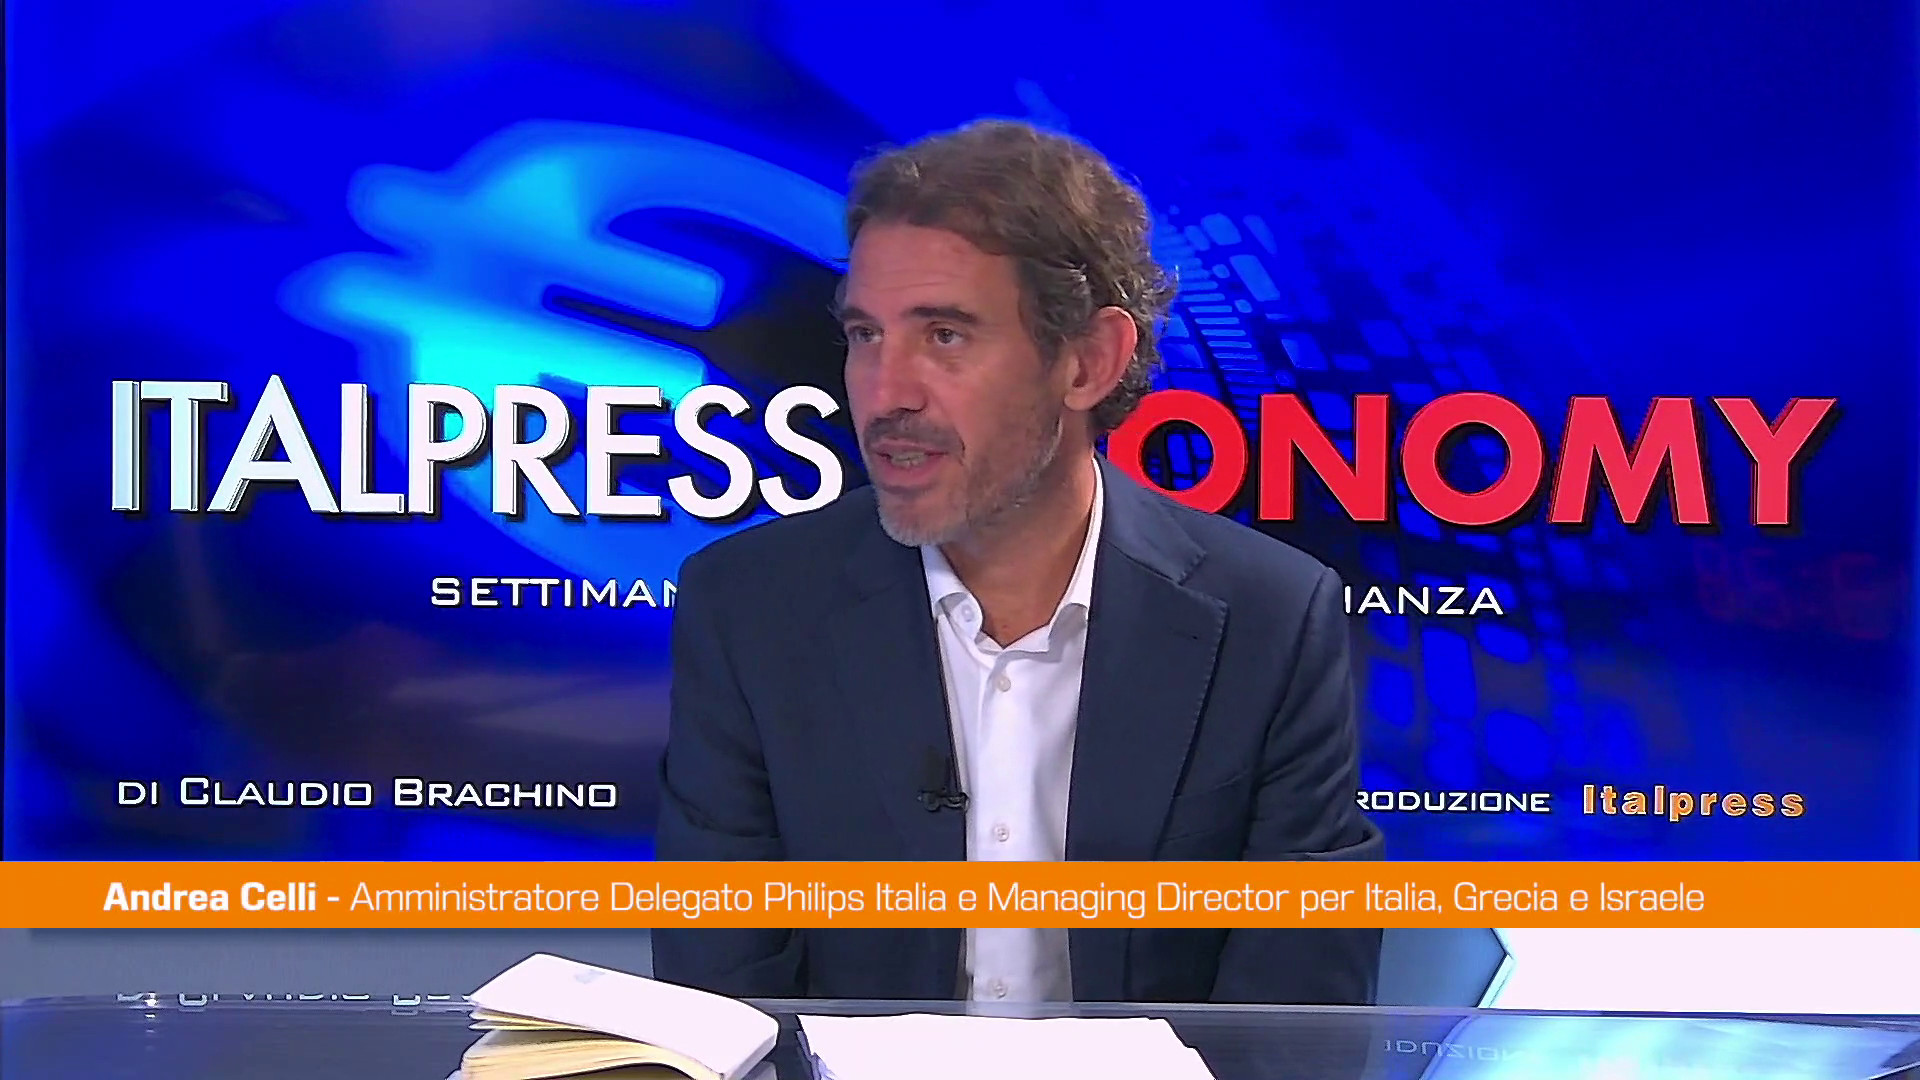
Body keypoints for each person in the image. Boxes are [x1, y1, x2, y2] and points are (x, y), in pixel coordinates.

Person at [653, 118, 1382, 1005]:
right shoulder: (750, 609)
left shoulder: (1270, 619)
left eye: (945, 336)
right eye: (867, 335)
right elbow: (722, 1002)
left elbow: (1298, 1009)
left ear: (1088, 362)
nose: (886, 394)